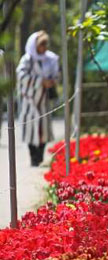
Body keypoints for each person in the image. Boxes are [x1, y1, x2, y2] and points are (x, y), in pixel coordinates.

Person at [16, 30, 59, 167]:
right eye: (41, 44)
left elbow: (57, 75)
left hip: (43, 101)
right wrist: (40, 81)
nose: (44, 47)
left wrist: (51, 81)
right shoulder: (27, 60)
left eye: (45, 44)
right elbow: (21, 76)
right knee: (30, 129)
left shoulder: (50, 59)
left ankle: (40, 156)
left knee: (43, 130)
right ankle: (33, 157)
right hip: (29, 101)